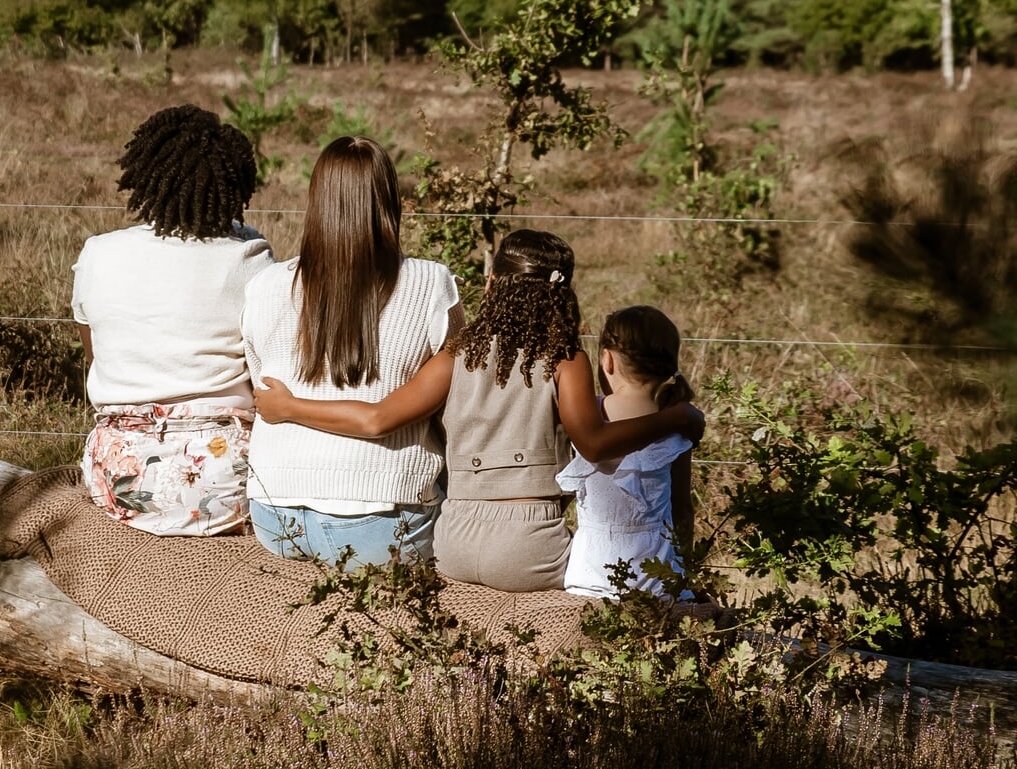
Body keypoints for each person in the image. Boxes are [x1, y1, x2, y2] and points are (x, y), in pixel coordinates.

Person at [255, 230, 704, 591]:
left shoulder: (456, 356)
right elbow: (593, 443)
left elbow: (377, 420)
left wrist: (290, 406)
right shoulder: (565, 360)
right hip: (529, 546)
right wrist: (676, 418)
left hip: (455, 542)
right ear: (561, 295)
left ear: (491, 283)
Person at [240, 136, 462, 567]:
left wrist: (291, 407)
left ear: (316, 200)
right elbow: (458, 394)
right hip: (380, 523)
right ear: (388, 201)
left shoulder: (265, 285)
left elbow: (262, 386)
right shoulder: (431, 283)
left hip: (274, 517)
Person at [73, 104, 272, 536]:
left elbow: (95, 353)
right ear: (234, 185)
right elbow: (265, 361)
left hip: (119, 477)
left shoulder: (98, 253)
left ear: (147, 176)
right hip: (227, 478)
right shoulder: (250, 255)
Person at [557, 305, 697, 598]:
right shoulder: (676, 422)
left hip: (590, 572)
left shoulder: (589, 416)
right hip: (656, 576)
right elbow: (682, 509)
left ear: (606, 359)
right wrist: (684, 568)